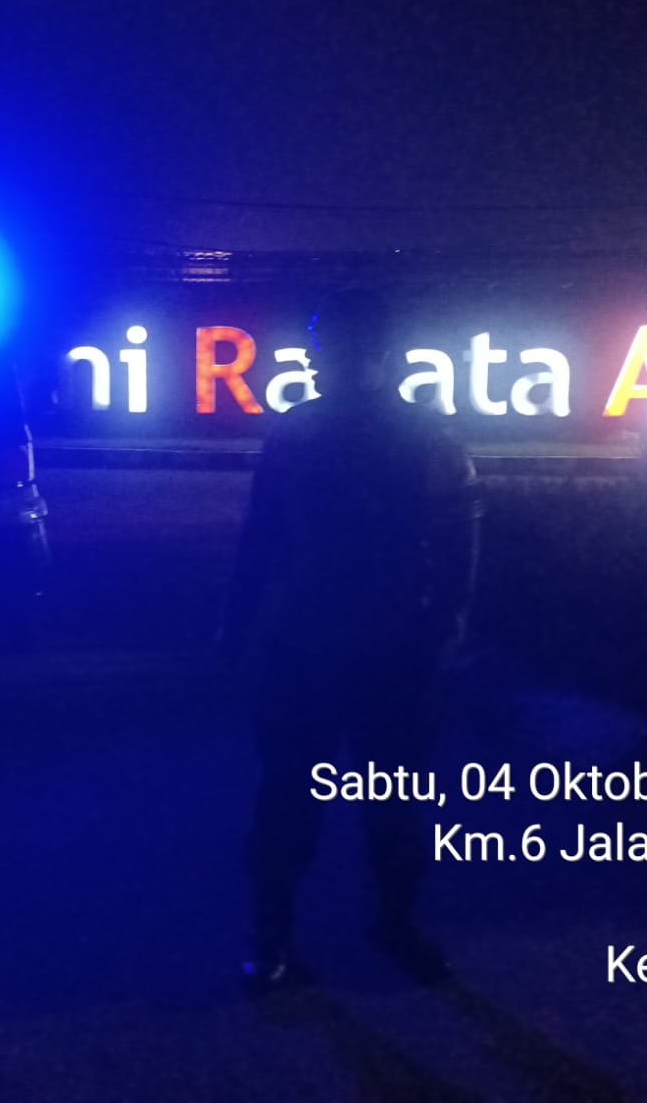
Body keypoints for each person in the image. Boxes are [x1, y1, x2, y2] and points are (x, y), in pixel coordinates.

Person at [223, 288, 481, 993]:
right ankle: (286, 933)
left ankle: (365, 926)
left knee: (375, 805)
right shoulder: (309, 435)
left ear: (377, 354)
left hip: (377, 650)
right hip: (327, 647)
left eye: (329, 346)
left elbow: (457, 548)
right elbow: (261, 539)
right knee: (301, 801)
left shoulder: (418, 438)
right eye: (318, 348)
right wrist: (236, 626)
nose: (318, 360)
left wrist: (446, 630)